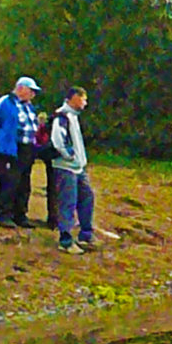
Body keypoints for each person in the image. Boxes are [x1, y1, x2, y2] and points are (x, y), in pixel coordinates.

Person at [0, 76, 41, 228]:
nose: (33, 95)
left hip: (27, 149)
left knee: (24, 182)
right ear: (21, 88)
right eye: (31, 91)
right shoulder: (4, 103)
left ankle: (20, 214)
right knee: (9, 181)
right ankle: (4, 214)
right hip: (10, 149)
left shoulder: (29, 106)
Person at [51, 86, 95, 254]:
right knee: (67, 202)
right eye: (83, 98)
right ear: (74, 98)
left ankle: (86, 233)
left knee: (87, 196)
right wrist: (69, 156)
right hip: (66, 168)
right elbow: (58, 140)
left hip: (78, 168)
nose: (85, 102)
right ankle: (66, 240)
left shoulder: (73, 117)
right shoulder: (62, 116)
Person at [35, 111, 58, 229]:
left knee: (53, 188)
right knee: (56, 188)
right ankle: (55, 219)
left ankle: (54, 219)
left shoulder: (50, 124)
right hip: (56, 158)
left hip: (51, 155)